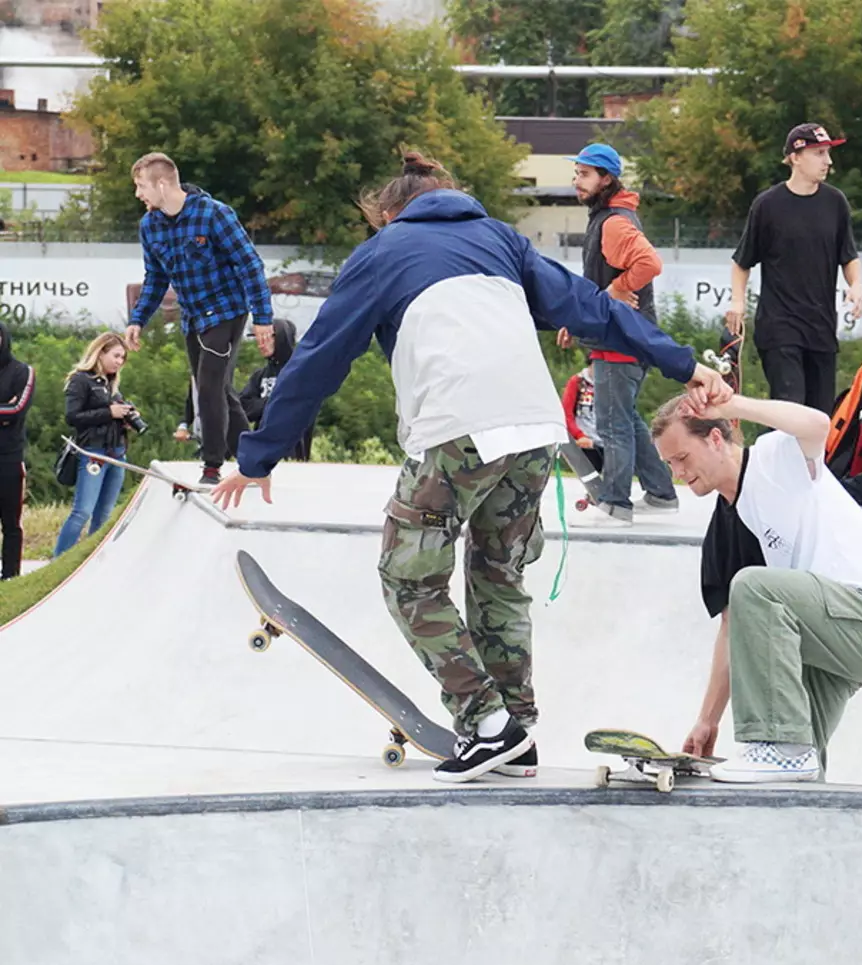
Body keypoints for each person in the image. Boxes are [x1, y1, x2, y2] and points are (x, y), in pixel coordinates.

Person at [211, 152, 730, 783]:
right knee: (497, 576)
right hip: (536, 432)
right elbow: (594, 308)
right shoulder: (500, 238)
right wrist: (686, 364)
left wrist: (259, 455)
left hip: (458, 429)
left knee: (407, 579)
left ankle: (486, 725)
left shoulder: (381, 252)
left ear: (387, 214)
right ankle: (516, 732)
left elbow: (319, 358)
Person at [650, 392, 862, 783]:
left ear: (716, 439)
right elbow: (734, 627)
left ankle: (778, 746)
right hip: (823, 645)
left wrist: (732, 406)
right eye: (669, 464)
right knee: (798, 773)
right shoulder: (726, 529)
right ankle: (789, 770)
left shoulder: (776, 459)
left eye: (682, 458)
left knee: (754, 587)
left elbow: (818, 425)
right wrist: (707, 720)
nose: (678, 473)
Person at [125, 153, 273, 484]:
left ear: (162, 184)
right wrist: (138, 320)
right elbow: (155, 279)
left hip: (227, 310)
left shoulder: (214, 214)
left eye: (140, 186)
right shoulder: (150, 226)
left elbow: (250, 265)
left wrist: (263, 319)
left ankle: (211, 465)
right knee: (217, 387)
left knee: (207, 387)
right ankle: (253, 460)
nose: (138, 194)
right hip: (193, 317)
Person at [559, 142, 678, 527]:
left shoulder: (613, 221)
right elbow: (597, 281)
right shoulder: (608, 217)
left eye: (584, 174)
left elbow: (649, 263)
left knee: (613, 422)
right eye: (576, 173)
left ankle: (614, 502)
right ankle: (661, 492)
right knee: (625, 417)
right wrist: (576, 318)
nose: (577, 181)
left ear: (606, 179)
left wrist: (617, 289)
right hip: (624, 337)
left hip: (620, 339)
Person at [727, 122, 862, 414]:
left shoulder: (835, 202)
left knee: (819, 417)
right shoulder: (767, 205)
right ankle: (781, 458)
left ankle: (808, 462)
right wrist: (737, 303)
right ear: (796, 156)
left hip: (821, 326)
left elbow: (849, 256)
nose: (828, 161)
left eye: (828, 153)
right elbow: (742, 262)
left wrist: (856, 286)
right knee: (791, 408)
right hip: (780, 326)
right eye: (819, 153)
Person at [54, 333, 137, 557]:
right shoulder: (80, 380)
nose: (119, 362)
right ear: (100, 352)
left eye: (123, 358)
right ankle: (59, 560)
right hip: (93, 452)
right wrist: (108, 412)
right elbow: (73, 417)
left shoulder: (112, 384)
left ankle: (93, 560)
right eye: (116, 356)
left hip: (117, 452)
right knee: (82, 511)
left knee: (105, 514)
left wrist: (125, 420)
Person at [238, 318, 313, 461]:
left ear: (280, 338)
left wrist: (262, 405)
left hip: (293, 455)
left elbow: (296, 409)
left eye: (266, 338)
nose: (261, 343)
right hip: (261, 455)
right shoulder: (259, 376)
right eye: (258, 338)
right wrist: (274, 402)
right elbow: (243, 408)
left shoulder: (301, 374)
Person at [0, 324, 34, 579]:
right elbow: (6, 411)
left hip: (9, 457)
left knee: (11, 523)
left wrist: (8, 411)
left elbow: (17, 411)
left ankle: (10, 576)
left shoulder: (22, 372)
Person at [561, 363, 603, 472]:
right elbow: (566, 413)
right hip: (586, 438)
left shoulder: (611, 383)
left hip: (607, 439)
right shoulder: (577, 382)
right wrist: (579, 435)